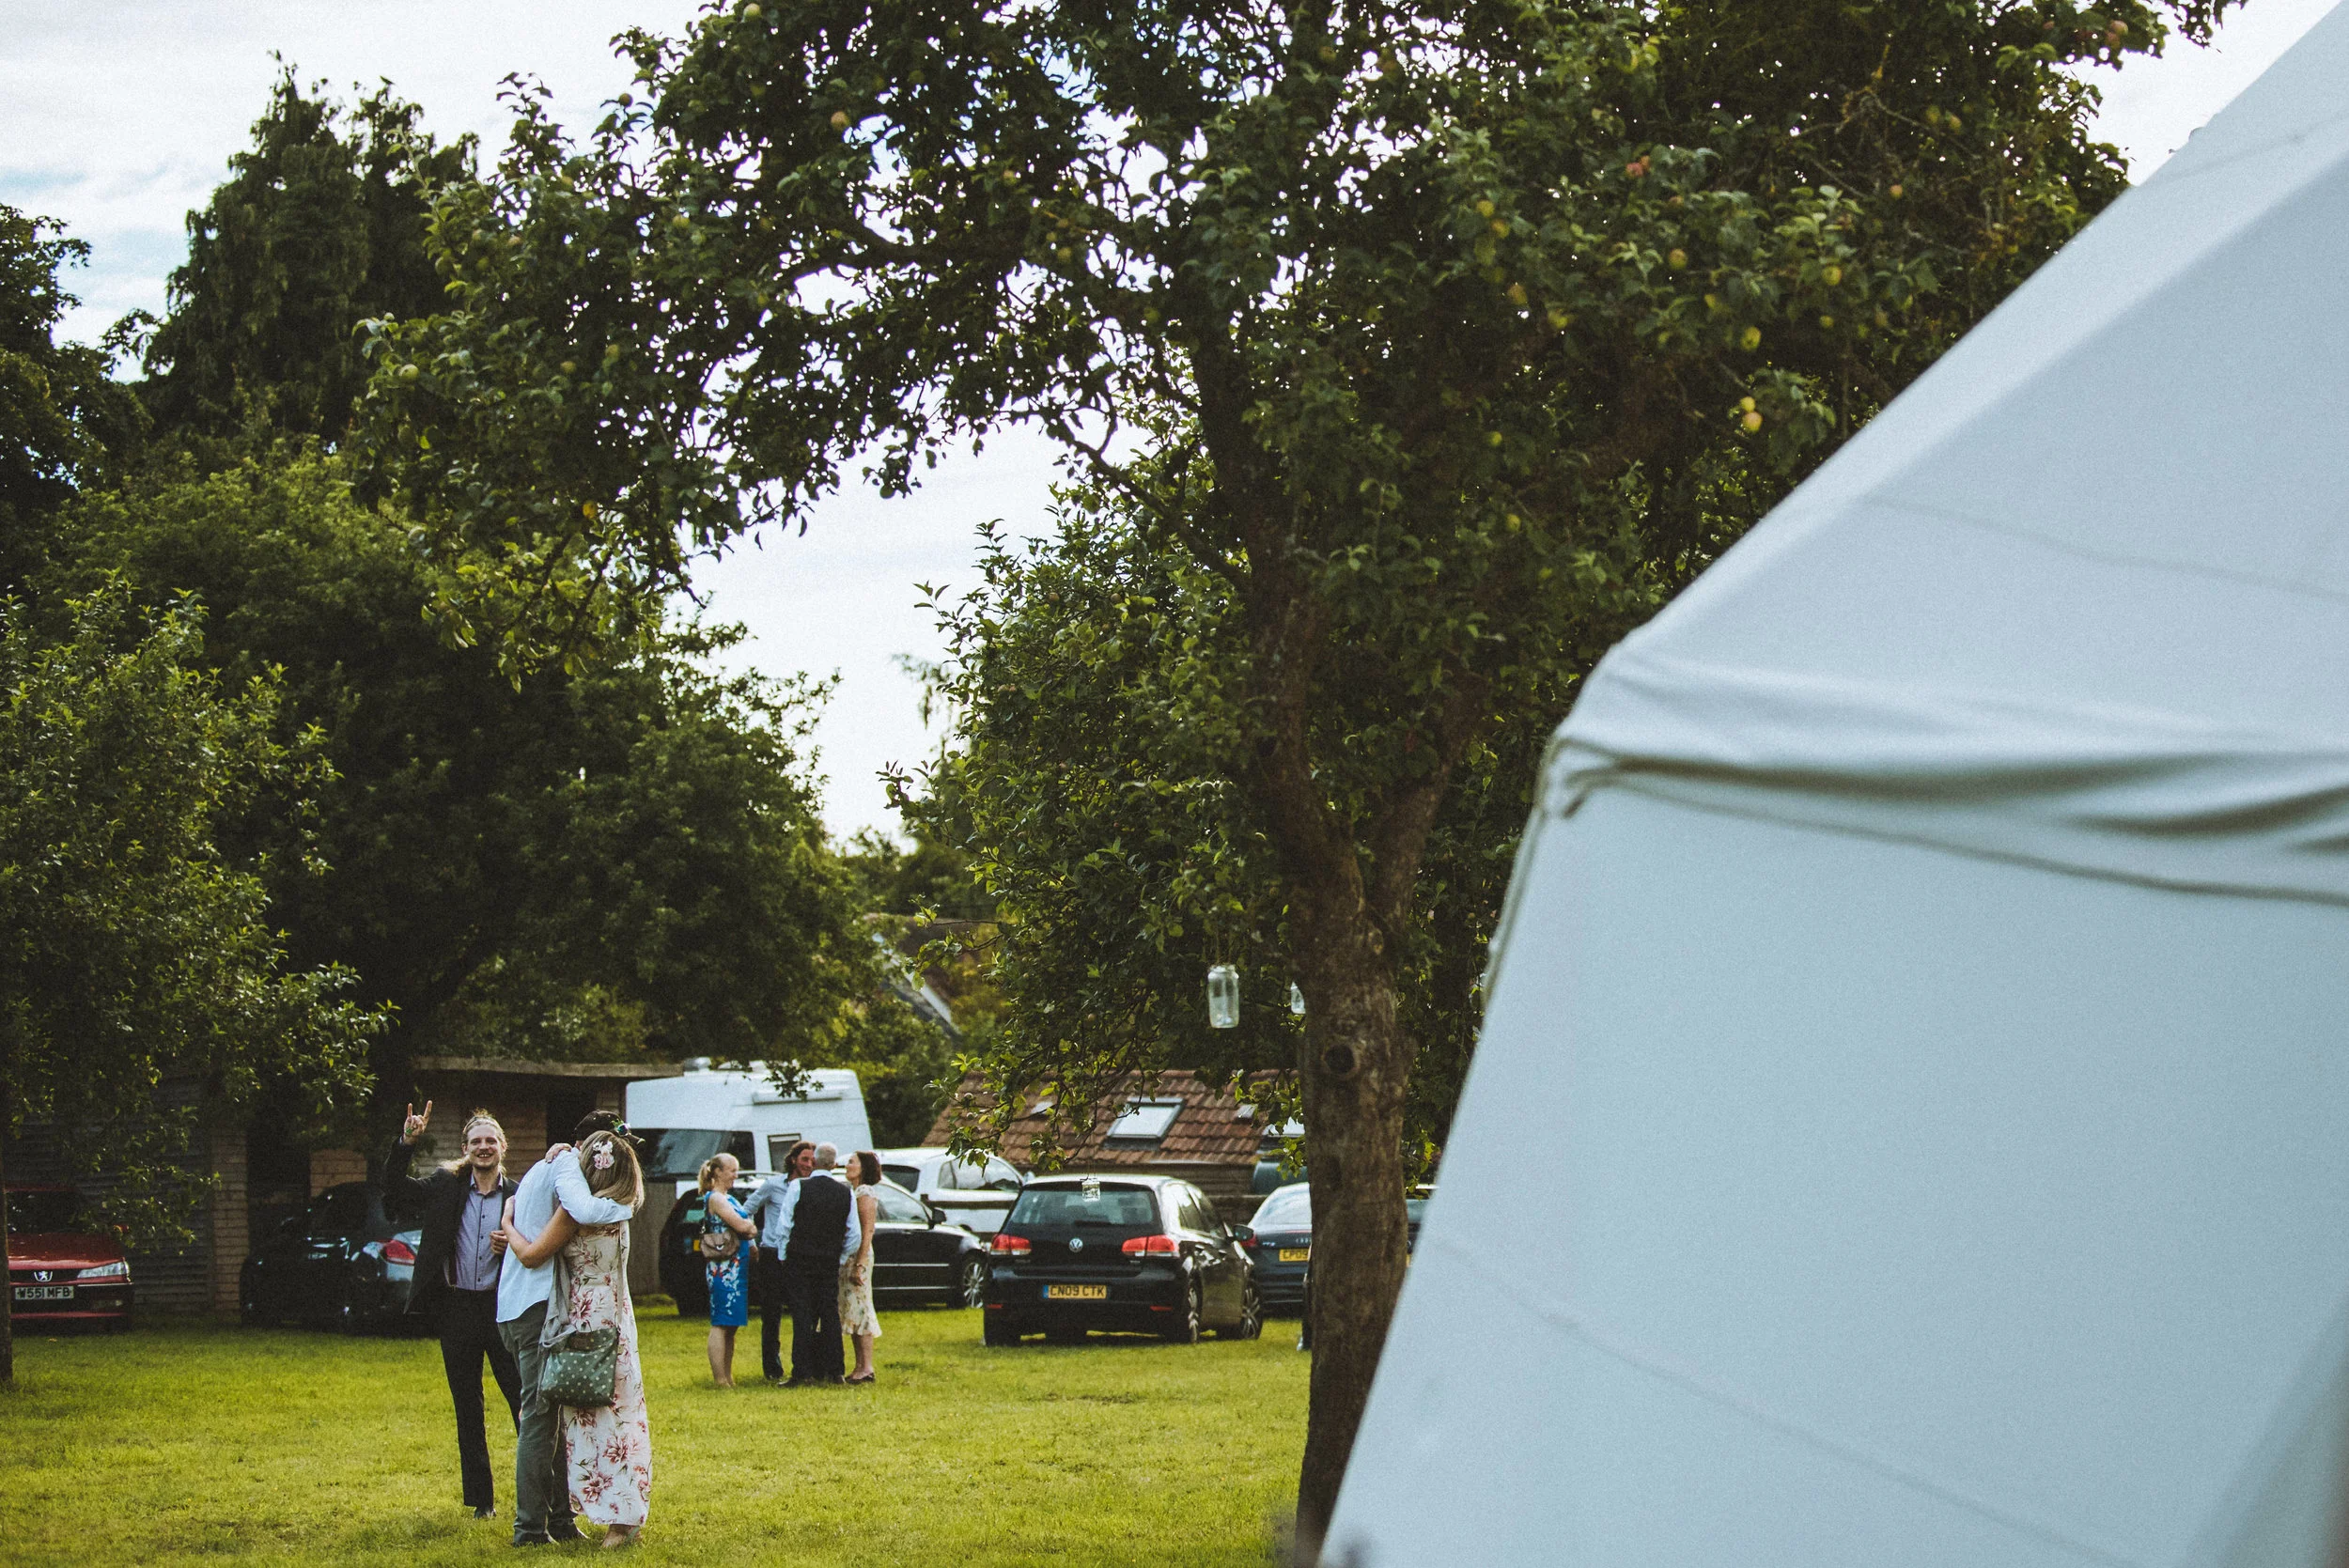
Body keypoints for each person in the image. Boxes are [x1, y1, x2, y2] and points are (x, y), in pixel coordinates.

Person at [502, 1131, 651, 1550]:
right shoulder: (618, 1209)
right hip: (615, 1316)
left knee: (589, 1421)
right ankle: (615, 1513)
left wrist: (508, 1225)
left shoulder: (578, 1212)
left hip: (583, 1320)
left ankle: (613, 1519)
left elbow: (532, 1255)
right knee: (618, 1414)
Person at [384, 1101, 521, 1519]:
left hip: (503, 1309)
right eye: (476, 1141)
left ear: (502, 1147)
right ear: (465, 1147)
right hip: (457, 1307)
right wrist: (407, 1142)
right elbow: (397, 1190)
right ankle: (482, 1502)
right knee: (468, 1405)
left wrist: (510, 1246)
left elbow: (540, 1247)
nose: (484, 1147)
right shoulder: (445, 1185)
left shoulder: (519, 1195)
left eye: (490, 1141)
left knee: (522, 1402)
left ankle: (543, 1496)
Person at [773, 1141, 859, 1386]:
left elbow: (785, 1225)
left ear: (814, 1161)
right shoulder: (845, 1192)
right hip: (829, 1260)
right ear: (834, 1164)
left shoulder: (799, 1186)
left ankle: (802, 1371)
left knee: (802, 1314)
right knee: (829, 1313)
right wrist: (840, 1256)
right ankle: (836, 1371)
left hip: (799, 1258)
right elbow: (854, 1234)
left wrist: (783, 1255)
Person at [740, 1140, 813, 1384]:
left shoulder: (811, 1188)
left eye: (812, 1160)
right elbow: (746, 1209)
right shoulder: (774, 1185)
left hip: (797, 1255)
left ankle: (802, 1364)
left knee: (802, 1310)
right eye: (804, 1159)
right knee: (771, 1313)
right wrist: (751, 1242)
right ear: (793, 1160)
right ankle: (772, 1366)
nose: (808, 1164)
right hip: (771, 1253)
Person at [697, 1153, 758, 1388]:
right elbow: (743, 1225)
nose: (736, 1175)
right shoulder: (716, 1199)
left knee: (731, 1324)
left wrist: (748, 1229)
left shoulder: (729, 1198)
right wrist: (748, 1228)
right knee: (721, 1322)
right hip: (723, 1269)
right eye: (732, 1170)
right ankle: (719, 1378)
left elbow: (747, 1228)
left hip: (736, 1268)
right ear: (718, 1172)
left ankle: (728, 1376)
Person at [840, 1151, 884, 1385]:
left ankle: (866, 1366)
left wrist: (859, 1263)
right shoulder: (853, 1192)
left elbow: (867, 1231)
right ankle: (858, 1365)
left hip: (860, 1256)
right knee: (853, 1309)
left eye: (851, 1162)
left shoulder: (865, 1193)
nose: (847, 1165)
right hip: (851, 1256)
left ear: (863, 1167)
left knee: (862, 1307)